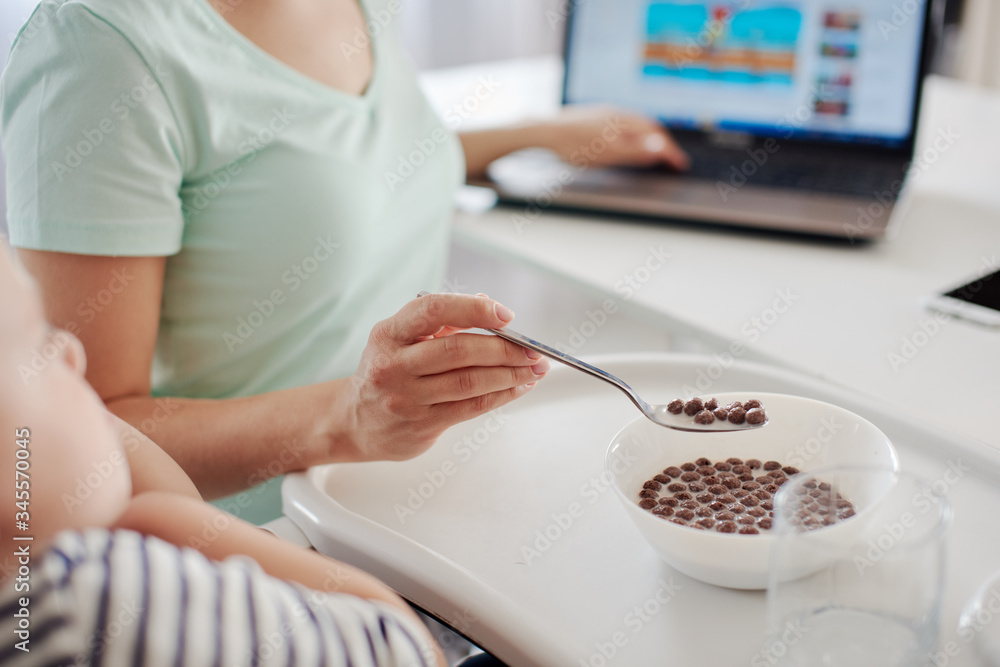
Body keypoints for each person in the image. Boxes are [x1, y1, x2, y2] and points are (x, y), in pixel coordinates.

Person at [0, 0, 690, 524]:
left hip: (415, 496)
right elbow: (90, 440)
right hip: (261, 546)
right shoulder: (99, 50)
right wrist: (348, 416)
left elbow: (334, 162)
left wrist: (541, 134)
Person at [0, 241, 447, 666]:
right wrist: (164, 521)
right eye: (38, 346)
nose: (73, 355)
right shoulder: (83, 605)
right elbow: (404, 648)